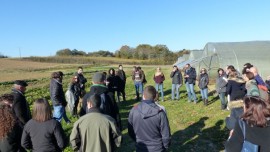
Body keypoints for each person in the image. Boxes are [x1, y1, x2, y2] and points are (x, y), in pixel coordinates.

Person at [128, 85, 171, 152]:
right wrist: (165, 146)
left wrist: (138, 140)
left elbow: (131, 131)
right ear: (154, 97)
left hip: (141, 147)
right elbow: (166, 134)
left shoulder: (134, 110)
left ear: (143, 96)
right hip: (157, 148)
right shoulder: (160, 113)